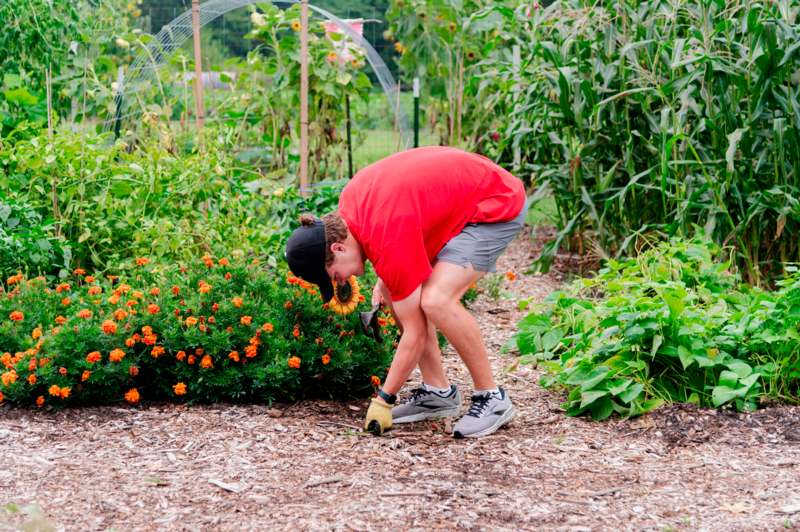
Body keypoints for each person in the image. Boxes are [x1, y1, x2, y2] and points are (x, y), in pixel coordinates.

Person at [285, 146, 527, 438]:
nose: (340, 281)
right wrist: (386, 280)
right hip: (465, 202)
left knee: (437, 300)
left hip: (494, 204)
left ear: (337, 248)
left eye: (334, 275)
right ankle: (438, 392)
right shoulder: (352, 207)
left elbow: (415, 333)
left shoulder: (386, 234)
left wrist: (384, 399)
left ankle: (492, 398)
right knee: (392, 289)